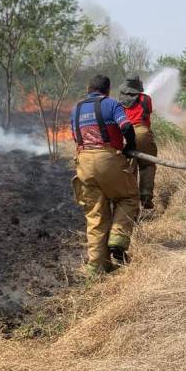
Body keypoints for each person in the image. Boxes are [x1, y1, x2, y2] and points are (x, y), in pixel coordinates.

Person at [70, 74, 140, 272]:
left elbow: (76, 137)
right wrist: (130, 146)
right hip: (107, 159)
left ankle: (96, 266)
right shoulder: (111, 104)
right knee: (128, 197)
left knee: (95, 215)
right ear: (107, 90)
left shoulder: (76, 109)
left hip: (83, 162)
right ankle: (118, 238)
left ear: (88, 88)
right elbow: (126, 127)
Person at [117, 74, 157, 209]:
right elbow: (148, 112)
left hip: (124, 135)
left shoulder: (119, 101)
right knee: (148, 165)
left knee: (129, 168)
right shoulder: (146, 99)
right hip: (142, 133)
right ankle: (146, 197)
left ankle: (130, 201)